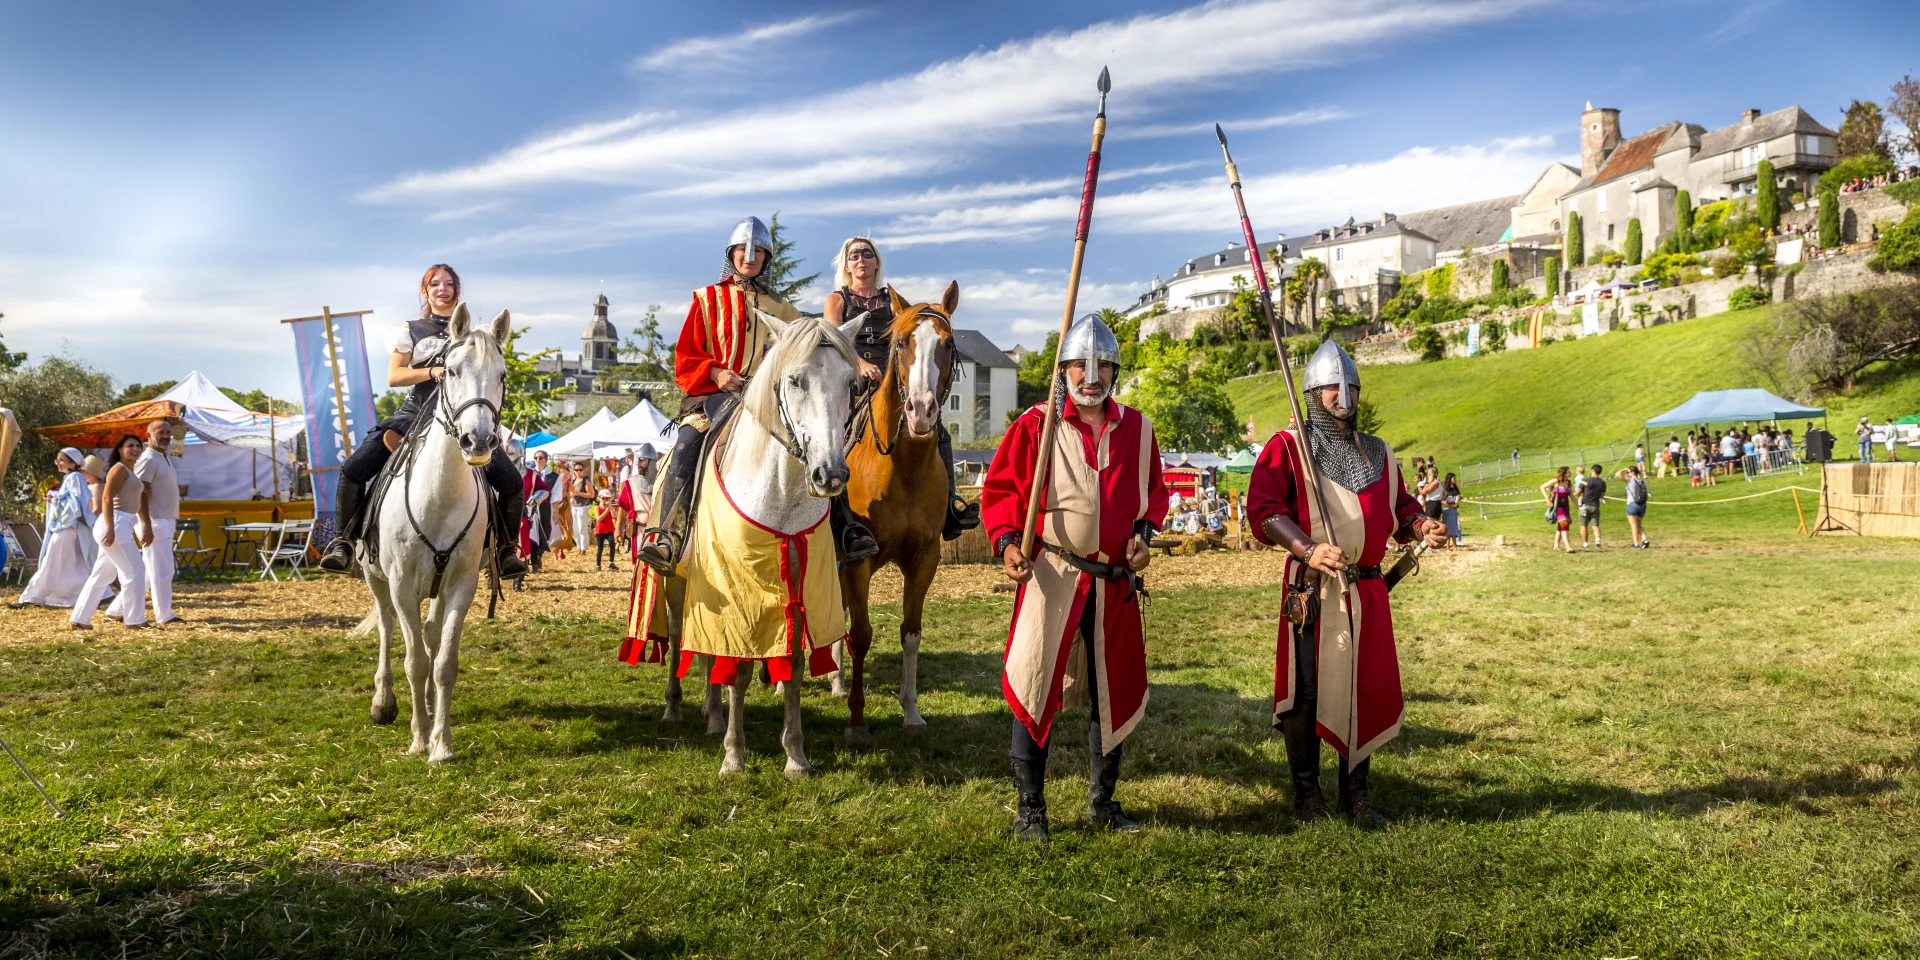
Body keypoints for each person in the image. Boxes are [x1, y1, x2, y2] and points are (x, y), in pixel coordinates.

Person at [981, 313, 1167, 843]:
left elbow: (1154, 494)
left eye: (1102, 366)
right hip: (1054, 572)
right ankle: (1030, 809)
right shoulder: (1035, 426)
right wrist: (1005, 543)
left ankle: (1103, 803)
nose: (1091, 377)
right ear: (1062, 372)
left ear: (1114, 370)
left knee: (1113, 689)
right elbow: (1000, 494)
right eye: (1080, 367)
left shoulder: (1138, 427)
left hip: (1112, 580)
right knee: (1034, 682)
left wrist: (1144, 535)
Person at [1248, 340, 1447, 826]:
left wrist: (1421, 525)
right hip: (1313, 590)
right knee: (1308, 692)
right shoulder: (1289, 446)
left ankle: (1356, 796)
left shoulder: (1378, 451)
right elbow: (1265, 512)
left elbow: (1400, 508)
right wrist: (1308, 547)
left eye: (1351, 386)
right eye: (1333, 387)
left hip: (1368, 589)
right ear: (1314, 393)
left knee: (1364, 688)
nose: (1344, 396)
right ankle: (1307, 798)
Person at [319, 264, 526, 578]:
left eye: (449, 284)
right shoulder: (412, 329)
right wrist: (433, 371)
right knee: (354, 468)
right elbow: (394, 376)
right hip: (415, 415)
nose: (442, 289)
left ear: (457, 290)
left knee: (511, 482)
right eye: (435, 285)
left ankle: (506, 550)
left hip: (462, 420)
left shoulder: (475, 333)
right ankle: (343, 542)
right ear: (425, 291)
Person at [637, 217, 806, 574]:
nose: (750, 256)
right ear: (731, 254)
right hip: (713, 398)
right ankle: (669, 536)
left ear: (766, 257)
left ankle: (844, 532)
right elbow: (685, 355)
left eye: (758, 250)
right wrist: (716, 372)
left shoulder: (785, 311)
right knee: (685, 447)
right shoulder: (708, 298)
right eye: (743, 250)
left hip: (770, 404)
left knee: (817, 446)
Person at [822, 236, 979, 550]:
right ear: (846, 263)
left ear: (877, 261)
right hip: (853, 382)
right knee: (832, 436)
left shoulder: (891, 302)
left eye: (868, 254)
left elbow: (912, 339)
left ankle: (949, 508)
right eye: (854, 255)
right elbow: (834, 342)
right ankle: (834, 518)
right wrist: (860, 363)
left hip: (894, 383)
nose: (861, 260)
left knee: (940, 433)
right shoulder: (837, 300)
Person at [69, 435, 150, 630]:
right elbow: (106, 498)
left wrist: (145, 524)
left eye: (138, 445)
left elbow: (139, 500)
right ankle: (134, 620)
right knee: (135, 571)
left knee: (101, 575)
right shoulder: (119, 469)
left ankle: (80, 618)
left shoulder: (131, 472)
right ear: (120, 449)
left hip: (120, 523)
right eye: (130, 446)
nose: (135, 448)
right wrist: (111, 528)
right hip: (115, 523)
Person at [12, 447, 99, 608]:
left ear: (73, 462)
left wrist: (55, 499)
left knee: (52, 563)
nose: (57, 463)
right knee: (70, 564)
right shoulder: (73, 477)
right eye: (56, 460)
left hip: (67, 528)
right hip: (68, 528)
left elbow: (75, 505)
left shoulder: (74, 477)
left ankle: (34, 597)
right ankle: (86, 594)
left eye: (61, 460)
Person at [520, 450, 559, 583]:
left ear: (546, 459)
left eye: (541, 457)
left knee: (545, 534)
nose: (538, 459)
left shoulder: (553, 476)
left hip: (545, 508)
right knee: (530, 535)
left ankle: (538, 556)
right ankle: (533, 561)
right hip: (529, 510)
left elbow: (554, 495)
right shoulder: (529, 473)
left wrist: (556, 511)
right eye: (536, 457)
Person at [617, 444, 657, 562]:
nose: (638, 464)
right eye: (637, 460)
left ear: (651, 462)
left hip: (658, 532)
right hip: (639, 531)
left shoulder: (662, 481)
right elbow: (623, 507)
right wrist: (618, 528)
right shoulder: (631, 483)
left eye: (642, 460)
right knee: (639, 566)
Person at [1541, 466, 1575, 553]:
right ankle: (1568, 547)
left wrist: (1579, 506)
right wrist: (1547, 499)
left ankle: (1556, 545)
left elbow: (1572, 496)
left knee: (1561, 525)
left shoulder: (1568, 483)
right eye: (1568, 471)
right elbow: (1542, 487)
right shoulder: (1556, 481)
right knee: (1564, 524)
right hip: (1557, 506)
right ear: (1563, 473)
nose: (1570, 473)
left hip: (1565, 507)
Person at [569, 460, 597, 561]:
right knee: (575, 529)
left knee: (582, 529)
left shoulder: (586, 481)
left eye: (580, 470)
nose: (578, 471)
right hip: (575, 507)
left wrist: (578, 493)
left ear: (583, 470)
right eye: (576, 470)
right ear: (574, 471)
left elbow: (591, 495)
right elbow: (573, 493)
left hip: (584, 507)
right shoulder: (573, 481)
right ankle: (579, 547)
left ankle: (584, 549)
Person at [1575, 463, 1606, 548]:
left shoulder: (1586, 480)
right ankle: (1597, 539)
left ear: (1592, 470)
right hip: (1595, 506)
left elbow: (1577, 492)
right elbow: (1602, 495)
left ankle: (1585, 543)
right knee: (1595, 524)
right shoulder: (1602, 482)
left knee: (1583, 525)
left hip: (1584, 505)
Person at [1620, 465, 1650, 548]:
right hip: (1642, 505)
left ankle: (1636, 544)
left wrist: (1623, 469)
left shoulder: (1630, 480)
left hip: (1632, 505)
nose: (1627, 473)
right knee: (1639, 524)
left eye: (1628, 472)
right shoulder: (1642, 481)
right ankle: (1644, 539)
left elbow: (1617, 475)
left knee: (1634, 525)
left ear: (1632, 473)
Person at [593, 488, 619, 572]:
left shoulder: (610, 507)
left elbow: (615, 516)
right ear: (599, 498)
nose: (605, 500)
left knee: (612, 544)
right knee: (600, 548)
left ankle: (611, 563)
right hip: (600, 530)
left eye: (607, 498)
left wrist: (611, 508)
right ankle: (598, 565)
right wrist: (607, 510)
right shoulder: (597, 508)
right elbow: (599, 519)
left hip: (609, 529)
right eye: (604, 498)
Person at [1441, 473, 1462, 547]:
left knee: (1456, 526)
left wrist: (1458, 499)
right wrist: (1448, 504)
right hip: (1447, 510)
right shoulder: (1445, 489)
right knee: (1448, 528)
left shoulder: (1455, 488)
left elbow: (1458, 495)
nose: (1455, 480)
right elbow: (1442, 500)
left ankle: (1457, 542)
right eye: (1454, 478)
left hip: (1454, 511)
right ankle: (1447, 546)